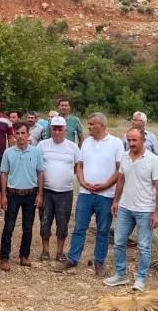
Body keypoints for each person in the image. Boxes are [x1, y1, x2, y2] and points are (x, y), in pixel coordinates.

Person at [56, 113, 123, 276]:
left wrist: (106, 185)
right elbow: (79, 166)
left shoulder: (116, 143)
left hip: (106, 195)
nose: (89, 127)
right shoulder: (86, 142)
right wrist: (82, 182)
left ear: (102, 126)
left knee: (103, 230)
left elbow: (120, 169)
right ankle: (72, 259)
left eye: (92, 124)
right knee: (79, 227)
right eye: (89, 124)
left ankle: (99, 262)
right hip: (86, 193)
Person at [104, 128, 158, 292]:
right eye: (129, 140)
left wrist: (157, 213)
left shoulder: (153, 160)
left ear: (143, 141)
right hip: (125, 207)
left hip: (145, 209)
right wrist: (116, 200)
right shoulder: (124, 156)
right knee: (119, 242)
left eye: (134, 140)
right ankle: (120, 274)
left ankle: (141, 279)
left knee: (143, 246)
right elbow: (121, 180)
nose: (131, 143)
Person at [0, 123, 44, 271]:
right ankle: (4, 258)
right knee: (9, 226)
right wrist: (3, 195)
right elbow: (4, 173)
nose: (20, 136)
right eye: (17, 133)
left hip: (30, 194)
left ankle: (24, 256)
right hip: (13, 194)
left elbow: (40, 173)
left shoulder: (35, 152)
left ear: (28, 134)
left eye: (23, 133)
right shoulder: (8, 152)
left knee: (28, 227)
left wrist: (40, 194)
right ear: (14, 135)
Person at [37, 116, 79, 263]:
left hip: (65, 192)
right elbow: (38, 168)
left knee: (63, 223)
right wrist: (39, 193)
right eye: (54, 128)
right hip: (46, 191)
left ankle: (60, 252)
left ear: (65, 130)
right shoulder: (42, 145)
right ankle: (45, 251)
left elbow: (77, 167)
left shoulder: (73, 147)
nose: (57, 132)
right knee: (44, 221)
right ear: (50, 129)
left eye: (60, 128)